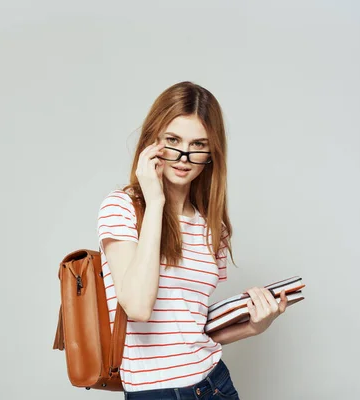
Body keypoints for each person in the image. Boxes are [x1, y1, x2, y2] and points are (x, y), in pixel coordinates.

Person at [96, 81, 288, 399]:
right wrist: (156, 202)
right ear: (152, 141)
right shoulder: (122, 207)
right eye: (173, 140)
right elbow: (139, 306)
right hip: (156, 392)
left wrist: (254, 326)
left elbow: (190, 325)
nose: (185, 156)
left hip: (215, 384)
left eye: (199, 145)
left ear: (212, 153)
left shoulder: (214, 227)